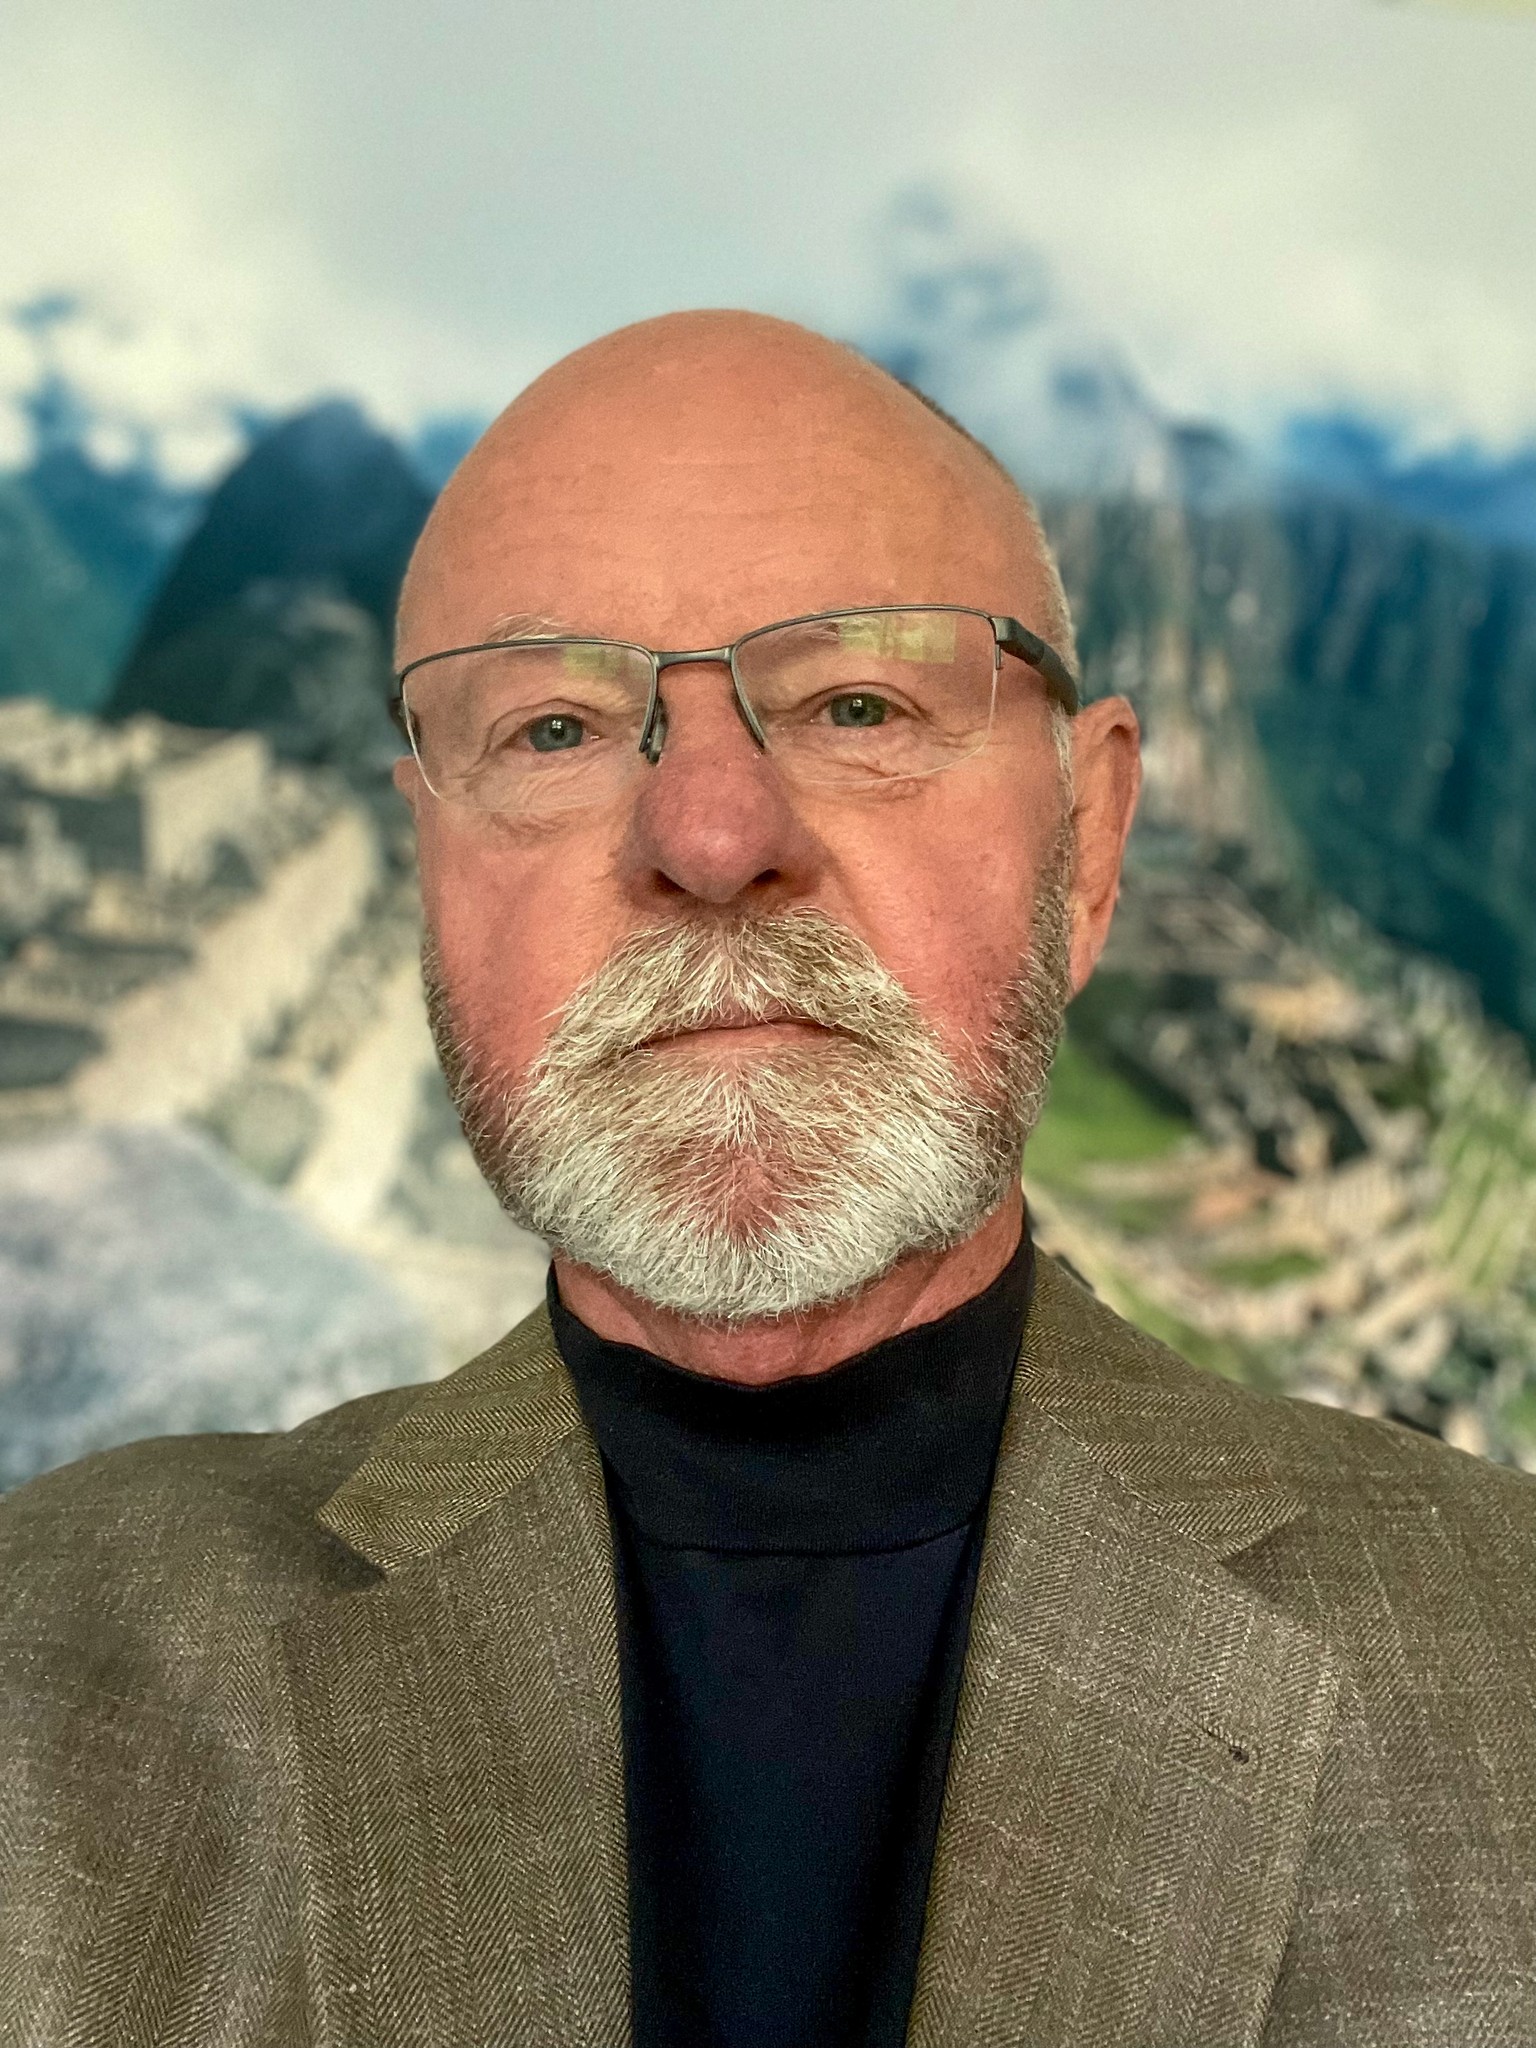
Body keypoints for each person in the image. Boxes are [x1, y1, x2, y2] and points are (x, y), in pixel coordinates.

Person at [3, 312, 1534, 2048]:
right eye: (558, 732)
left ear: (1090, 845)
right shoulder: (48, 1673)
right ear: (431, 867)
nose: (714, 840)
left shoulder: (1506, 1670)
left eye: (861, 703)